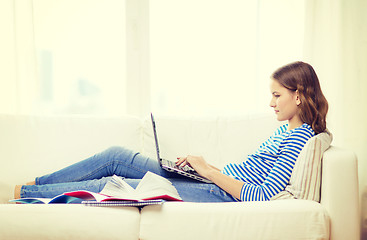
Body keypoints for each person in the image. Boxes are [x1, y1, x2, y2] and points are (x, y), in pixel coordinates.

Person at [14, 61, 328, 202]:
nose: (270, 103)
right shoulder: (284, 131)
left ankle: (23, 195)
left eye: (277, 95)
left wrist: (207, 171)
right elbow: (249, 176)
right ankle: (33, 185)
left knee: (113, 183)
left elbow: (261, 196)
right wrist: (204, 167)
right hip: (212, 181)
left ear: (298, 95)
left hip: (218, 194)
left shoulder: (300, 138)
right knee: (115, 156)